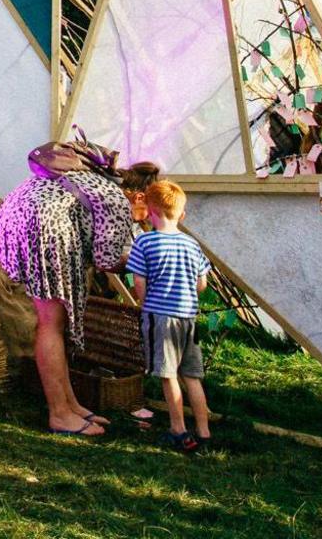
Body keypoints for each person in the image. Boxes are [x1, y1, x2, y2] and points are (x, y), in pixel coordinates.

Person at [0, 139, 136, 436]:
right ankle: (60, 413)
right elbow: (107, 260)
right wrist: (144, 260)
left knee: (52, 323)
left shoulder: (75, 177)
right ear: (137, 195)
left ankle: (70, 403)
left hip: (21, 221)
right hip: (46, 232)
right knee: (51, 323)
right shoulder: (115, 199)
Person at [125, 180, 212, 451]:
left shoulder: (145, 242)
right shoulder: (192, 244)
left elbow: (139, 283)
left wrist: (144, 301)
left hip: (160, 316)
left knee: (168, 374)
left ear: (150, 213)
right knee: (192, 376)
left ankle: (178, 429)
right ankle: (204, 430)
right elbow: (202, 285)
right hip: (188, 317)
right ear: (181, 214)